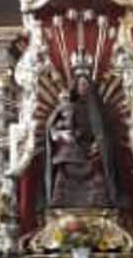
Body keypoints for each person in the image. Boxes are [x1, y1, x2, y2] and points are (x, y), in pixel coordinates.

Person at [44, 68, 118, 209]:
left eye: (85, 84)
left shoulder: (98, 109)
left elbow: (103, 134)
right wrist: (61, 135)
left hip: (90, 153)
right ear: (75, 86)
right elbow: (52, 127)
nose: (83, 87)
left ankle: (99, 206)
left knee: (97, 174)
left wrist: (98, 144)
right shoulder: (67, 106)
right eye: (80, 84)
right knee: (63, 170)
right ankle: (60, 205)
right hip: (70, 152)